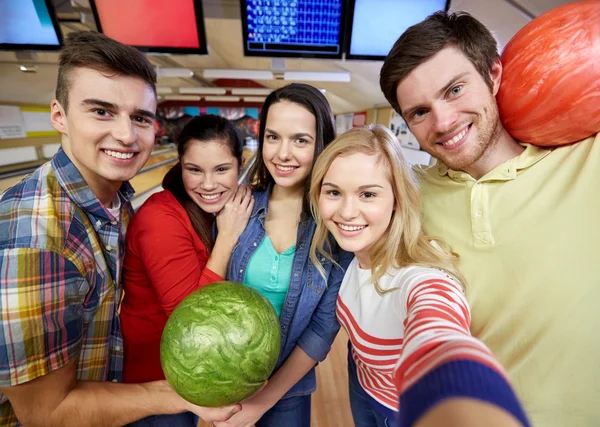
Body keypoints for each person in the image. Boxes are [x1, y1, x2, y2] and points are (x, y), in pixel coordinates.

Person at [0, 32, 239, 427]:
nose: (127, 135)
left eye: (140, 118)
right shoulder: (35, 239)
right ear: (59, 115)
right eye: (101, 111)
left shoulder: (117, 200)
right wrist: (177, 395)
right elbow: (45, 413)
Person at [379, 11, 600, 427]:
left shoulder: (588, 160)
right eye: (419, 112)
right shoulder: (407, 197)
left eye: (455, 89)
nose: (443, 122)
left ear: (494, 75)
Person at [309, 124, 530, 427]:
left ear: (398, 199)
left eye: (367, 194)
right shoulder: (347, 253)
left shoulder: (417, 276)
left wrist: (459, 393)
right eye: (334, 192)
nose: (347, 212)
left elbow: (438, 331)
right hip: (362, 383)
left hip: (397, 412)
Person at [215, 83, 351, 427]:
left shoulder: (336, 227)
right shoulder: (238, 210)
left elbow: (322, 330)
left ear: (321, 144)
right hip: (225, 382)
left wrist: (262, 402)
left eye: (300, 140)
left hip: (287, 392)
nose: (282, 153)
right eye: (273, 137)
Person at [120, 114, 254, 426]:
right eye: (194, 170)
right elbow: (190, 319)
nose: (208, 184)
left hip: (188, 377)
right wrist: (229, 237)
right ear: (180, 165)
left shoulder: (214, 210)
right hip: (153, 384)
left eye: (221, 169)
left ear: (241, 163)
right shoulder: (160, 219)